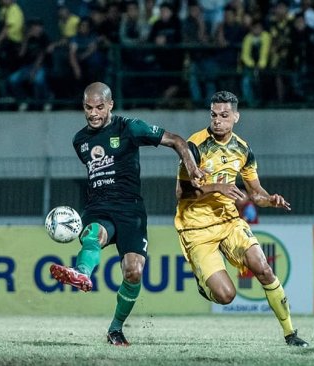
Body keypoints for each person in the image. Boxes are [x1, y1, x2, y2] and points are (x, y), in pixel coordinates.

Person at [49, 82, 205, 346]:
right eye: (88, 108)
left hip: (131, 209)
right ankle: (82, 272)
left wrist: (192, 168)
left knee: (133, 272)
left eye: (99, 107)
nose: (94, 113)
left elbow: (177, 140)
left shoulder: (129, 127)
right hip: (98, 207)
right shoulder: (80, 141)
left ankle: (115, 329)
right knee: (93, 234)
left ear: (110, 105)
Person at [174, 90, 308, 347]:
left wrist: (270, 200)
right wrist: (217, 187)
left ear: (236, 116)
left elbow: (255, 193)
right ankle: (206, 284)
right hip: (196, 227)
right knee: (226, 296)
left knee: (263, 267)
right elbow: (182, 192)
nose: (217, 120)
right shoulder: (194, 146)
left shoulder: (243, 149)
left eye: (224, 115)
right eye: (214, 115)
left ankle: (290, 333)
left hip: (229, 221)